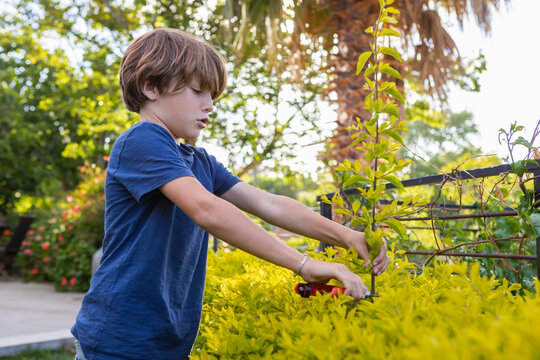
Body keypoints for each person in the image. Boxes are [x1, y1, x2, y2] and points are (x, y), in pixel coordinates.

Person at [71, 28, 390, 360]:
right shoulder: (142, 140)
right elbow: (207, 210)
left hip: (166, 344)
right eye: (197, 91)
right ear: (150, 87)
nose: (209, 105)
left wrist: (346, 235)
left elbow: (268, 204)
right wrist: (304, 265)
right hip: (118, 341)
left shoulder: (200, 163)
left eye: (212, 95)